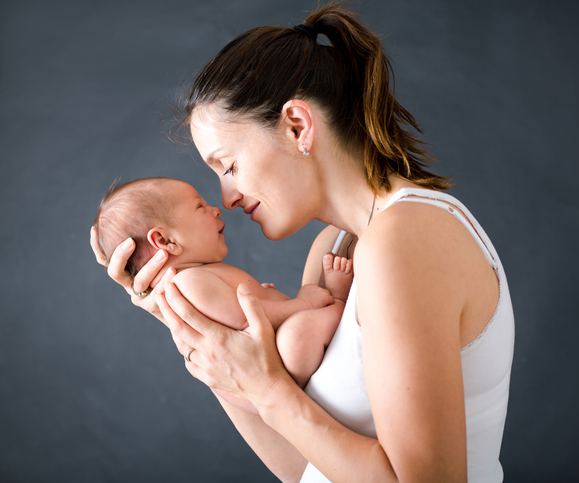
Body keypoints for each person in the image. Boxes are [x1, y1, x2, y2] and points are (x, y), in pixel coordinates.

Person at [90, 3, 514, 482]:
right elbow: (305, 470)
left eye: (229, 166)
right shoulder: (334, 247)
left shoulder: (405, 240)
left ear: (297, 125)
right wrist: (195, 326)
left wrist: (266, 387)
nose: (227, 198)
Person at [93, 177, 352, 390]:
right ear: (165, 241)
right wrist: (303, 304)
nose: (216, 209)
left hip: (272, 372)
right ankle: (338, 302)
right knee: (296, 336)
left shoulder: (197, 277)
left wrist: (261, 294)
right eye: (200, 207)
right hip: (281, 365)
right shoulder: (188, 282)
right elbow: (251, 318)